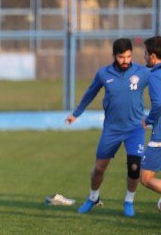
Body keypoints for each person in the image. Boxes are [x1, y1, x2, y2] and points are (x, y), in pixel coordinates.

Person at [66, 38, 149, 217]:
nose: (125, 60)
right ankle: (93, 198)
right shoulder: (104, 74)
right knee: (99, 169)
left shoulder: (142, 72)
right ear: (114, 56)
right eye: (121, 57)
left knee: (134, 167)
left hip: (135, 129)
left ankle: (129, 201)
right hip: (112, 130)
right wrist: (76, 114)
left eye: (128, 56)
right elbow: (90, 94)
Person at [140, 36, 161, 205]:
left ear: (153, 56)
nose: (144, 56)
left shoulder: (155, 75)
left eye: (146, 53)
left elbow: (159, 103)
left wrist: (148, 120)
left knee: (146, 178)